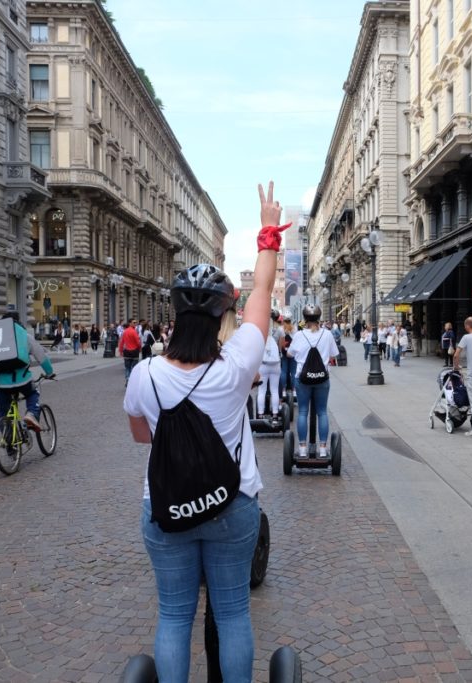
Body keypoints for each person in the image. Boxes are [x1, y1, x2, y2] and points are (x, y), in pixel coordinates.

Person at [124, 181, 285, 682]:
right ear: (221, 313)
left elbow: (142, 437)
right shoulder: (237, 365)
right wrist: (266, 234)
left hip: (167, 503)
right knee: (233, 611)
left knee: (174, 614)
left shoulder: (145, 374)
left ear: (173, 313)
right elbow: (261, 292)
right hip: (232, 503)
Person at [287, 304, 339, 459]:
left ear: (305, 319)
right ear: (319, 318)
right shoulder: (327, 334)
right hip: (322, 378)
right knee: (322, 412)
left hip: (303, 379)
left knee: (303, 411)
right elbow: (334, 354)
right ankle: (323, 448)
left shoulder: (299, 335)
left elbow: (289, 354)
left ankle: (302, 447)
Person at [0, 312, 55, 431]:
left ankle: (9, 444)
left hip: (0, 383)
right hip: (21, 380)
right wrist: (50, 372)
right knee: (33, 392)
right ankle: (31, 413)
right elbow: (41, 357)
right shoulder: (25, 336)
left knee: (3, 414)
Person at [259, 312, 282, 416]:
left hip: (263, 364)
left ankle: (260, 413)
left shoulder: (261, 332)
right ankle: (275, 414)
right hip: (275, 363)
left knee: (262, 390)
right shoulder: (279, 330)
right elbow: (281, 346)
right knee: (274, 390)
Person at [118, 318, 142, 386]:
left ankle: (128, 378)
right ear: (130, 323)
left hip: (127, 352)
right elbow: (138, 342)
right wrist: (140, 348)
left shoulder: (125, 331)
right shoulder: (134, 332)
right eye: (134, 322)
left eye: (136, 322)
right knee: (134, 368)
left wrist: (120, 351)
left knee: (127, 367)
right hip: (134, 352)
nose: (135, 324)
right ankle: (131, 380)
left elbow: (121, 342)